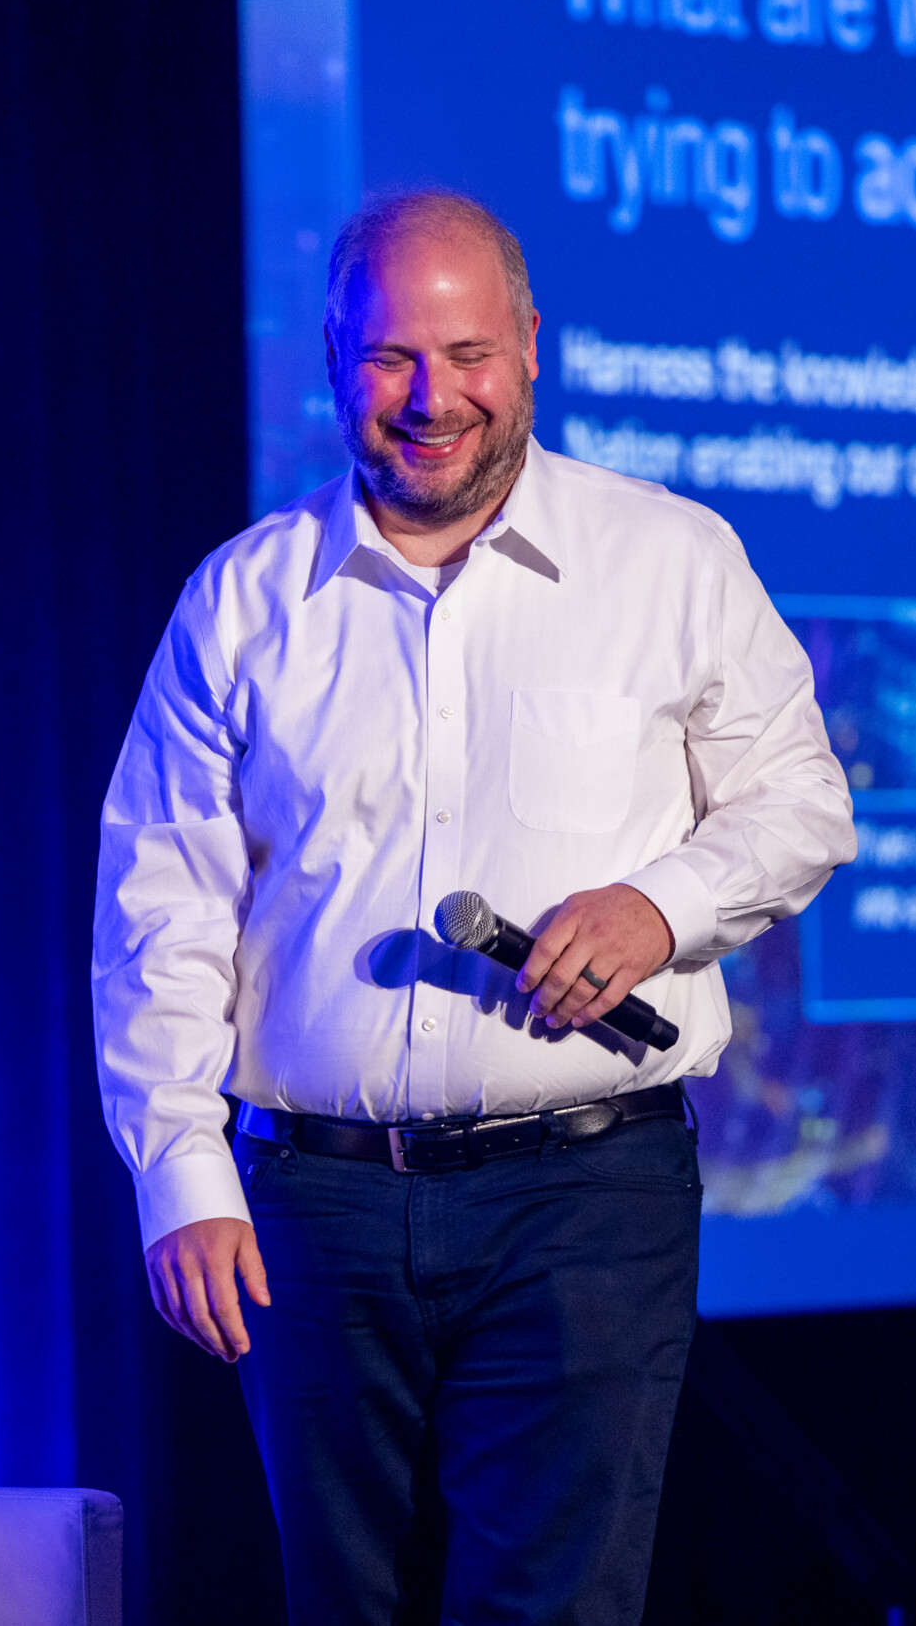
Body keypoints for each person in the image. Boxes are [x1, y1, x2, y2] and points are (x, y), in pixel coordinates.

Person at [92, 188, 854, 1624]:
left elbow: (801, 802)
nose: (432, 397)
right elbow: (160, 905)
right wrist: (178, 1174)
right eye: (390, 358)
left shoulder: (668, 561)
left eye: (469, 353)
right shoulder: (248, 603)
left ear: (532, 351)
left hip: (584, 1195)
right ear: (332, 360)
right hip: (312, 1207)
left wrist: (660, 904)